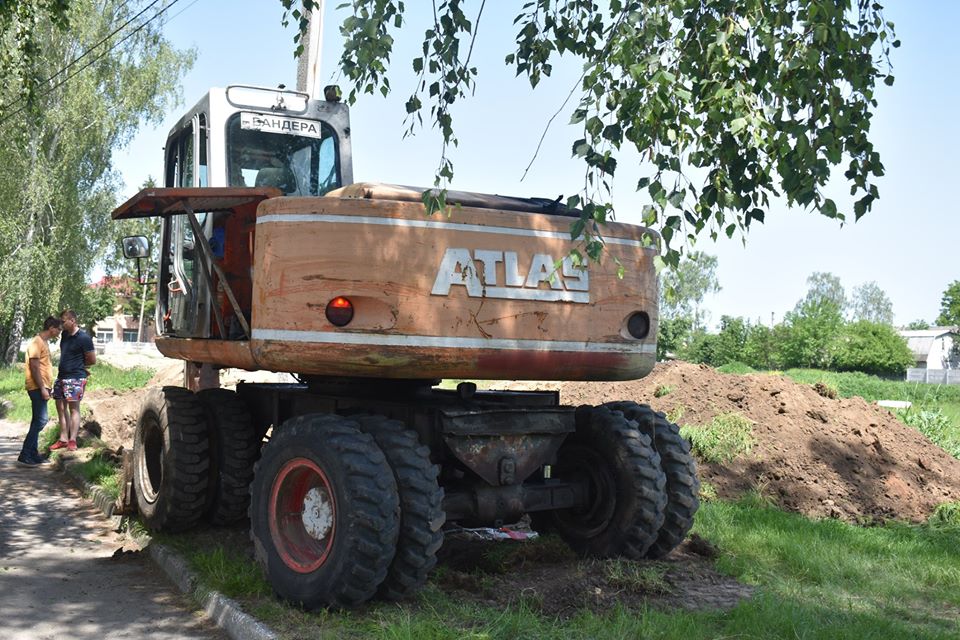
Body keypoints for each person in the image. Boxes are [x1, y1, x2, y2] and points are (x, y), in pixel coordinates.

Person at [17, 316, 63, 467]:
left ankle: (33, 453)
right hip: (37, 387)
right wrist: (43, 388)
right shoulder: (36, 343)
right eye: (58, 329)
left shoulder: (43, 342)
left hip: (41, 386)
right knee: (41, 420)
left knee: (37, 420)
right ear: (51, 328)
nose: (59, 332)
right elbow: (34, 367)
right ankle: (25, 454)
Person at [49, 309, 96, 452]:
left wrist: (81, 368)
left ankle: (72, 440)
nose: (61, 324)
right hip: (61, 376)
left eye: (63, 321)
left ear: (72, 320)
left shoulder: (84, 338)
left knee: (74, 409)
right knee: (61, 409)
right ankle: (63, 439)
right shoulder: (64, 335)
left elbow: (92, 359)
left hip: (75, 378)